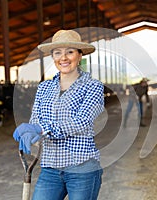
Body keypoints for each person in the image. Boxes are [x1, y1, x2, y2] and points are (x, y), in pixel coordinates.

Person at [13, 29, 105, 200]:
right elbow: (35, 119)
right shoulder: (44, 88)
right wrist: (30, 132)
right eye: (57, 53)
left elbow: (81, 122)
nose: (63, 58)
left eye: (70, 52)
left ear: (80, 56)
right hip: (50, 168)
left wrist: (40, 128)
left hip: (82, 168)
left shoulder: (93, 86)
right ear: (53, 57)